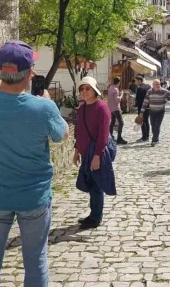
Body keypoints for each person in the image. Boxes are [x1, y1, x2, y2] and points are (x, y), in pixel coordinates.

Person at [0, 41, 69, 287]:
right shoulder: (43, 107)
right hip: (33, 198)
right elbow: (62, 135)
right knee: (35, 261)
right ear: (31, 73)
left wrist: (5, 78)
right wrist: (47, 101)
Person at [73, 76, 116, 230]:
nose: (84, 91)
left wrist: (97, 156)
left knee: (96, 184)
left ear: (94, 90)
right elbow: (79, 131)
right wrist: (77, 151)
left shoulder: (102, 108)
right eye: (82, 89)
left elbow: (104, 134)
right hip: (86, 151)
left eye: (87, 88)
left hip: (99, 151)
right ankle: (93, 214)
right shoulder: (82, 108)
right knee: (90, 183)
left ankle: (96, 217)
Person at [139, 79, 170, 146]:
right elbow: (145, 102)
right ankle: (156, 138)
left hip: (160, 111)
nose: (158, 85)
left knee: (157, 125)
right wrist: (141, 112)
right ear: (153, 85)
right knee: (153, 125)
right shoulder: (149, 91)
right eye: (156, 84)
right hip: (152, 111)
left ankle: (154, 140)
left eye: (159, 84)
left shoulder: (163, 91)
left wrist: (165, 101)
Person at [107, 77, 127, 145]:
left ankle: (111, 136)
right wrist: (121, 94)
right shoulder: (115, 89)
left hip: (111, 108)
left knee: (112, 122)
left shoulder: (110, 88)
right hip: (116, 108)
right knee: (121, 123)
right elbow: (117, 100)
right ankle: (119, 138)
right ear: (119, 82)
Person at [135, 76, 152, 142]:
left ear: (140, 80)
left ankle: (144, 137)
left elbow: (138, 100)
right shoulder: (148, 86)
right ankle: (147, 136)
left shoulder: (140, 89)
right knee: (146, 121)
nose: (136, 82)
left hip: (142, 107)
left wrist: (136, 105)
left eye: (136, 81)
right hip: (149, 107)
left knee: (142, 121)